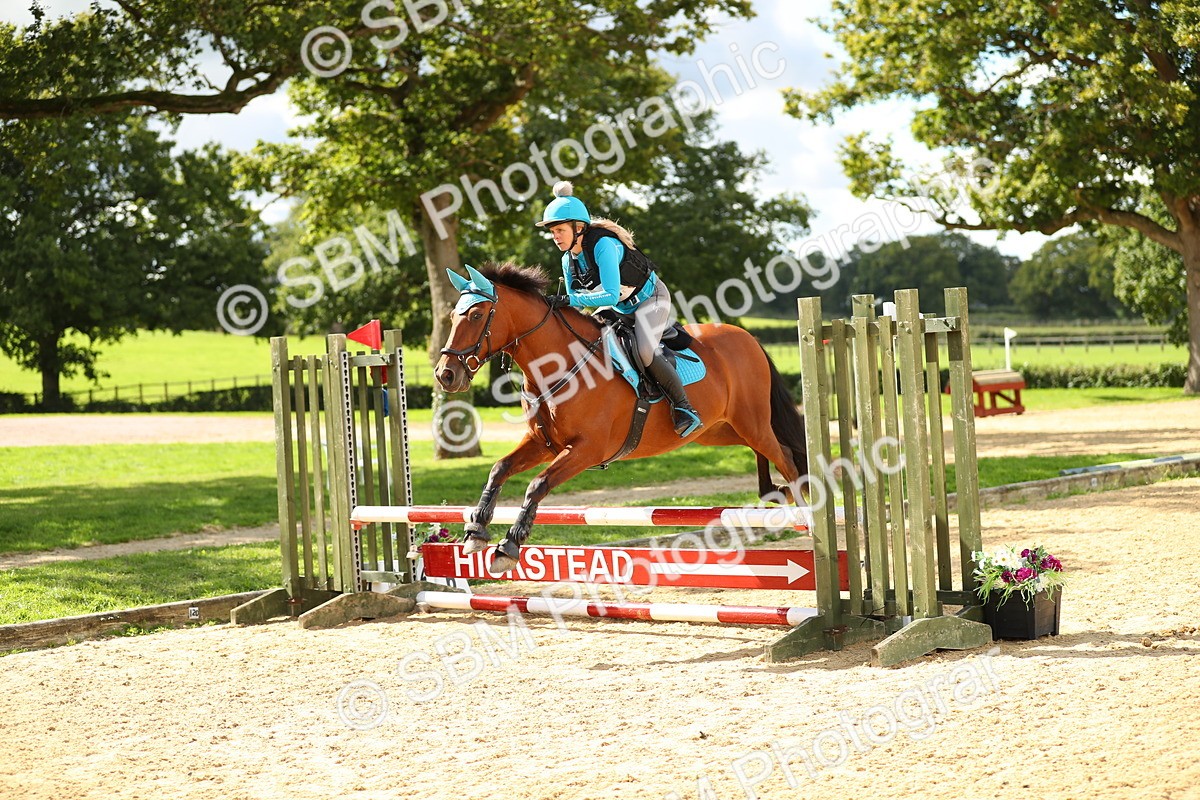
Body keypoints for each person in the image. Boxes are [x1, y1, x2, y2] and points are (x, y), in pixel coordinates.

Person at [536, 181, 701, 436]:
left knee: (645, 352)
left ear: (578, 228)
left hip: (650, 300)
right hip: (617, 308)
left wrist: (569, 301)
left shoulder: (603, 245)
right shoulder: (567, 260)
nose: (555, 236)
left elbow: (609, 295)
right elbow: (575, 302)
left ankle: (685, 408)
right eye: (552, 232)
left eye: (559, 230)